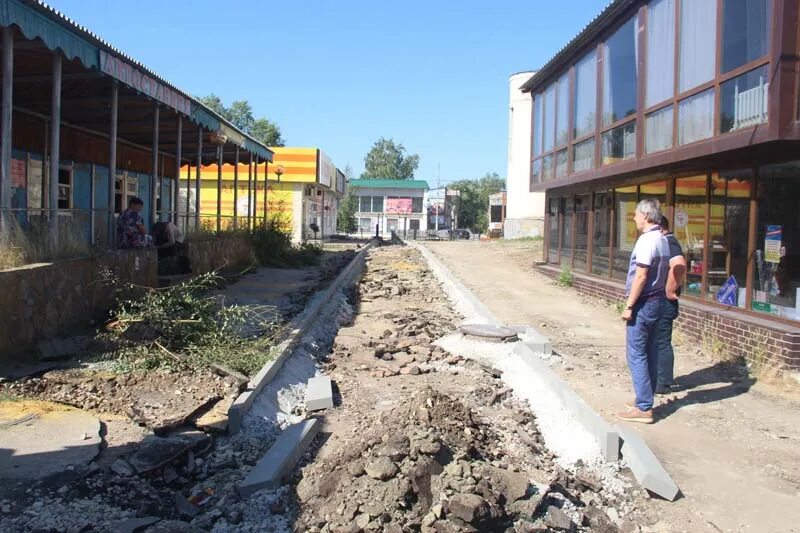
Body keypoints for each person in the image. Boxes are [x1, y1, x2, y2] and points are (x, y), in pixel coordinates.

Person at [616, 199, 670, 424]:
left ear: (646, 216)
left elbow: (641, 276)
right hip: (658, 301)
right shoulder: (663, 239)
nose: (635, 218)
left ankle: (644, 407)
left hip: (644, 302)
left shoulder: (647, 241)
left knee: (636, 353)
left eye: (637, 214)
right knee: (651, 351)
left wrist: (629, 306)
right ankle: (645, 397)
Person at [656, 215, 686, 394]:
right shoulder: (665, 242)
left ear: (660, 228)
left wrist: (670, 290)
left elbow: (679, 265)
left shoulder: (669, 242)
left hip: (665, 302)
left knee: (662, 342)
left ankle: (664, 382)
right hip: (659, 301)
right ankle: (661, 379)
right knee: (658, 341)